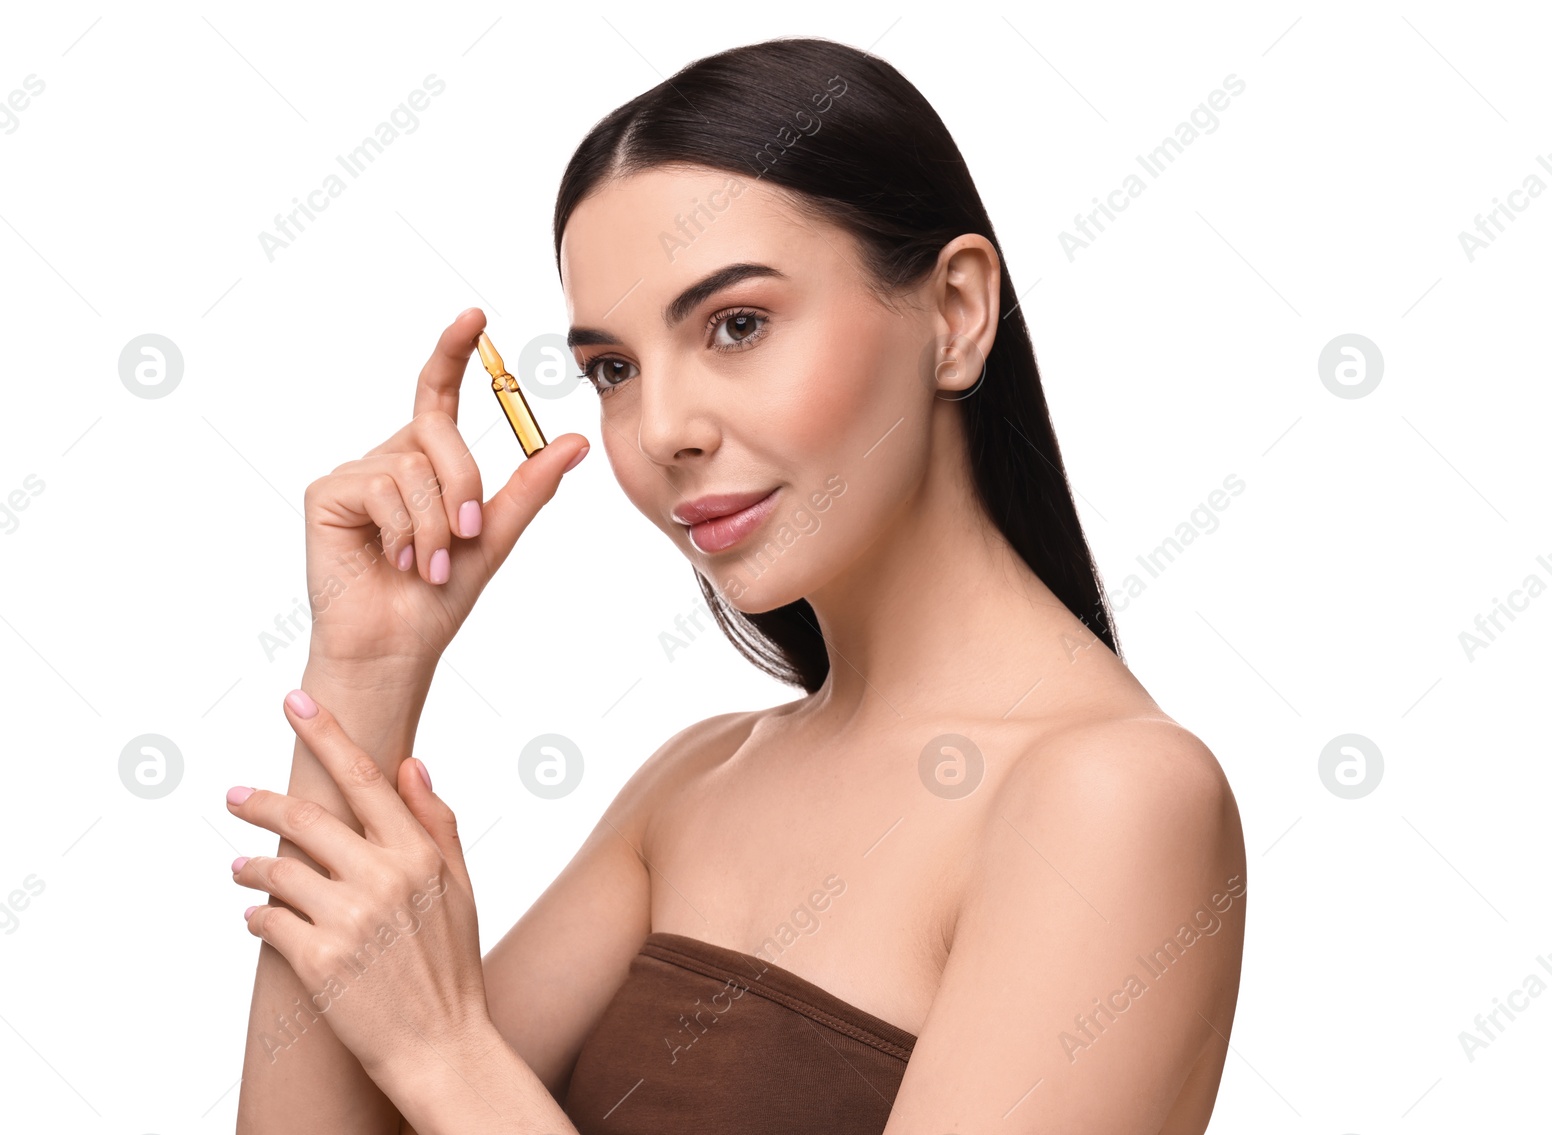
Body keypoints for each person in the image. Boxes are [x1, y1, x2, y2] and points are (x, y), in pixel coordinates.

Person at [228, 35, 1246, 1134]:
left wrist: (446, 1054)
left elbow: (443, 1072)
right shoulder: (698, 781)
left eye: (738, 325)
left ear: (954, 312)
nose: (661, 430)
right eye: (614, 370)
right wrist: (369, 669)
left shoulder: (1118, 798)